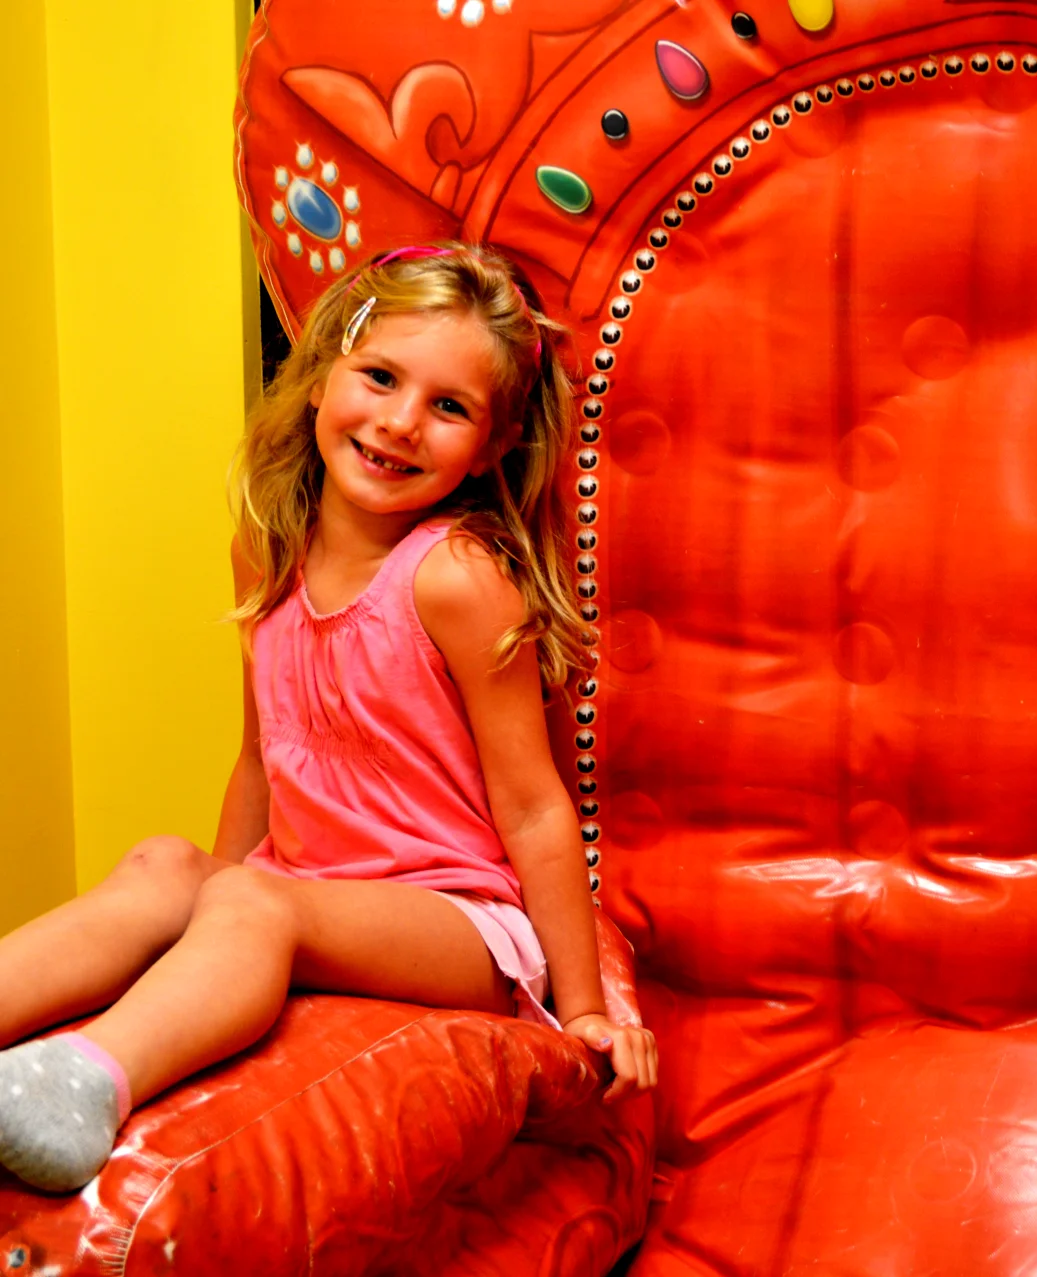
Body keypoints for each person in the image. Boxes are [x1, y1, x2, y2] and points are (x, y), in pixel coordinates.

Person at [0, 243, 656, 1194]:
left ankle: (85, 1080)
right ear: (319, 378)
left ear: (493, 445)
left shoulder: (457, 578)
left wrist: (583, 1006)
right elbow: (260, 760)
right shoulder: (266, 551)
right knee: (163, 864)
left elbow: (532, 804)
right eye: (380, 377)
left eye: (449, 406)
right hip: (306, 886)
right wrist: (206, 901)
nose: (399, 422)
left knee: (254, 902)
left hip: (456, 923)